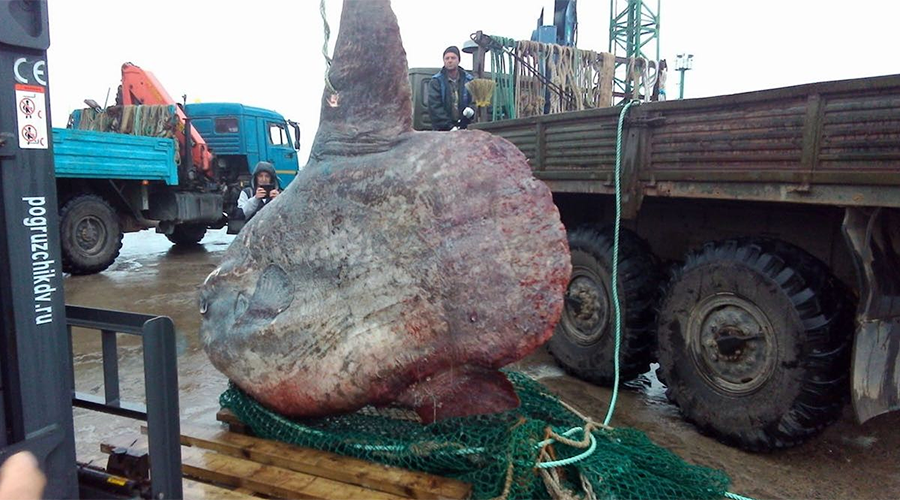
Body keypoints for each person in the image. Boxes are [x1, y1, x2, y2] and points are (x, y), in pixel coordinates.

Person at [427, 46, 474, 131]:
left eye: (453, 58)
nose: (450, 61)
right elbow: (435, 107)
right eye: (447, 58)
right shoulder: (436, 81)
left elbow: (476, 101)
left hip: (465, 128)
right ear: (443, 61)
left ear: (459, 60)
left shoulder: (469, 80)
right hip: (442, 130)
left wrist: (472, 109)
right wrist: (449, 127)